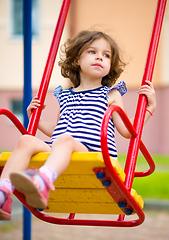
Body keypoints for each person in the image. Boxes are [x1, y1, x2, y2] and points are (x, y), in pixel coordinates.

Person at [0, 30, 156, 220]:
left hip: (95, 155)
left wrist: (149, 109)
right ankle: (3, 194)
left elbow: (126, 131)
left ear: (110, 65)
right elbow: (58, 130)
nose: (100, 57)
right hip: (63, 147)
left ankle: (43, 181)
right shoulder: (65, 95)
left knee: (65, 140)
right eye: (92, 52)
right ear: (76, 60)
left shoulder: (110, 94)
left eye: (106, 55)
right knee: (26, 140)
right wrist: (36, 120)